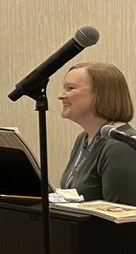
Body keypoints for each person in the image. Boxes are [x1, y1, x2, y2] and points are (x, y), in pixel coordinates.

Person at [58, 63, 136, 205]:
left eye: (71, 88)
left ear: (100, 94)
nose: (61, 96)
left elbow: (123, 219)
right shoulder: (83, 138)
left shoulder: (120, 147)